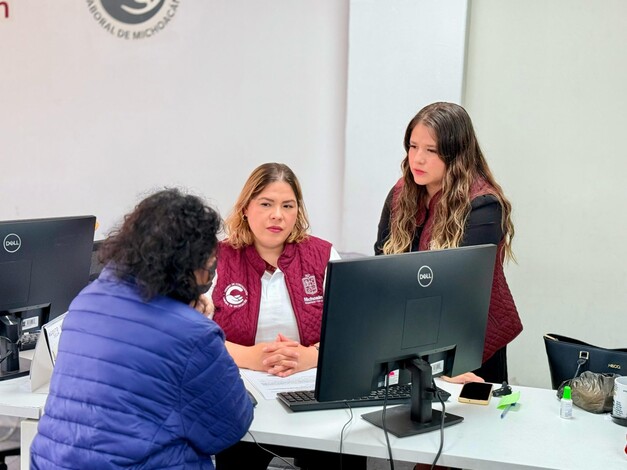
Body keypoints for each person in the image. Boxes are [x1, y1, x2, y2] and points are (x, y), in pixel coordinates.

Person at [30, 188, 254, 470]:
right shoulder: (192, 333)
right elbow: (229, 428)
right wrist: (197, 323)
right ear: (191, 263)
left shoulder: (86, 301)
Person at [210, 163, 366, 470]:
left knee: (339, 450)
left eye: (287, 206)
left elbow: (354, 333)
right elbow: (192, 336)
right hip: (243, 393)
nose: (277, 215)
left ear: (298, 211)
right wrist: (250, 357)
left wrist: (311, 356)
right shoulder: (217, 258)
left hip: (314, 391)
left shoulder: (323, 255)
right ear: (245, 209)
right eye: (266, 204)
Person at [375, 102, 522, 385]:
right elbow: (381, 265)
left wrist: (444, 366)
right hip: (410, 344)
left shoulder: (483, 206)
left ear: (456, 155)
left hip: (467, 346)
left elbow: (460, 293)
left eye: (430, 151)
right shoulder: (400, 193)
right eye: (413, 146)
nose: (417, 159)